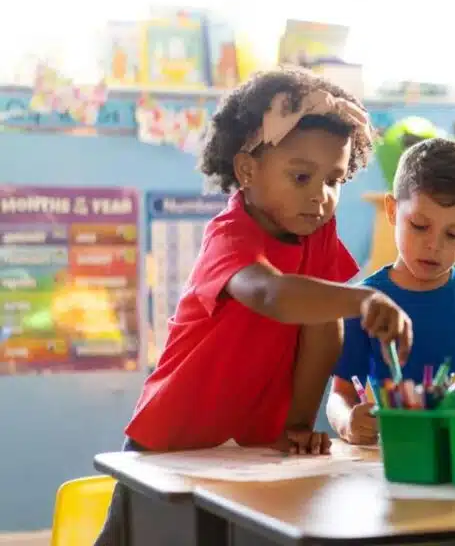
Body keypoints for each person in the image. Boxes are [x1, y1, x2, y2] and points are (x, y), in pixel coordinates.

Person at [95, 68, 413, 546]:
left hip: (251, 451)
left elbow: (322, 329)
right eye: (301, 176)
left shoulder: (317, 235)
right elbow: (272, 295)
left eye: (334, 179)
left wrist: (299, 424)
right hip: (170, 445)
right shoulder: (230, 236)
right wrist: (363, 298)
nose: (320, 195)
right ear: (246, 171)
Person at [326, 138, 455, 445]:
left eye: (454, 234)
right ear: (392, 210)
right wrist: (347, 423)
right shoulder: (366, 302)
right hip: (401, 453)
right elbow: (339, 396)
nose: (434, 245)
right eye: (420, 226)